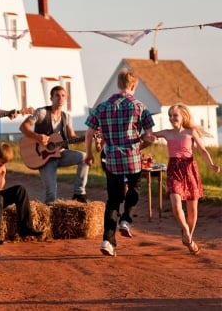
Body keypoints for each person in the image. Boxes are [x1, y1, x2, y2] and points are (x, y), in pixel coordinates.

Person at [84, 69, 154, 257]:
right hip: (132, 158)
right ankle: (127, 219)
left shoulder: (102, 106)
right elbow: (149, 136)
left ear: (118, 84)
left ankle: (108, 240)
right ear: (133, 86)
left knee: (113, 201)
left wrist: (89, 154)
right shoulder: (140, 106)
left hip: (112, 159)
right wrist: (142, 144)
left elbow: (89, 133)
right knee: (135, 189)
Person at [141, 103, 220, 255]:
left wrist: (211, 164)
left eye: (175, 115)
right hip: (174, 169)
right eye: (170, 116)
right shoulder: (167, 133)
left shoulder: (191, 132)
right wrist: (140, 135)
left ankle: (188, 235)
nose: (172, 118)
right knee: (176, 205)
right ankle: (187, 234)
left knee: (192, 210)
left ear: (183, 116)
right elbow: (150, 137)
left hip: (189, 169)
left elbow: (202, 150)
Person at [19, 85, 89, 204]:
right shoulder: (41, 112)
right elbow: (23, 127)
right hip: (43, 157)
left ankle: (79, 193)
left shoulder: (66, 117)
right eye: (57, 95)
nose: (60, 98)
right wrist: (38, 137)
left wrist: (87, 137)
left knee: (84, 157)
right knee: (51, 193)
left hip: (61, 154)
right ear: (51, 98)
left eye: (63, 96)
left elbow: (72, 137)